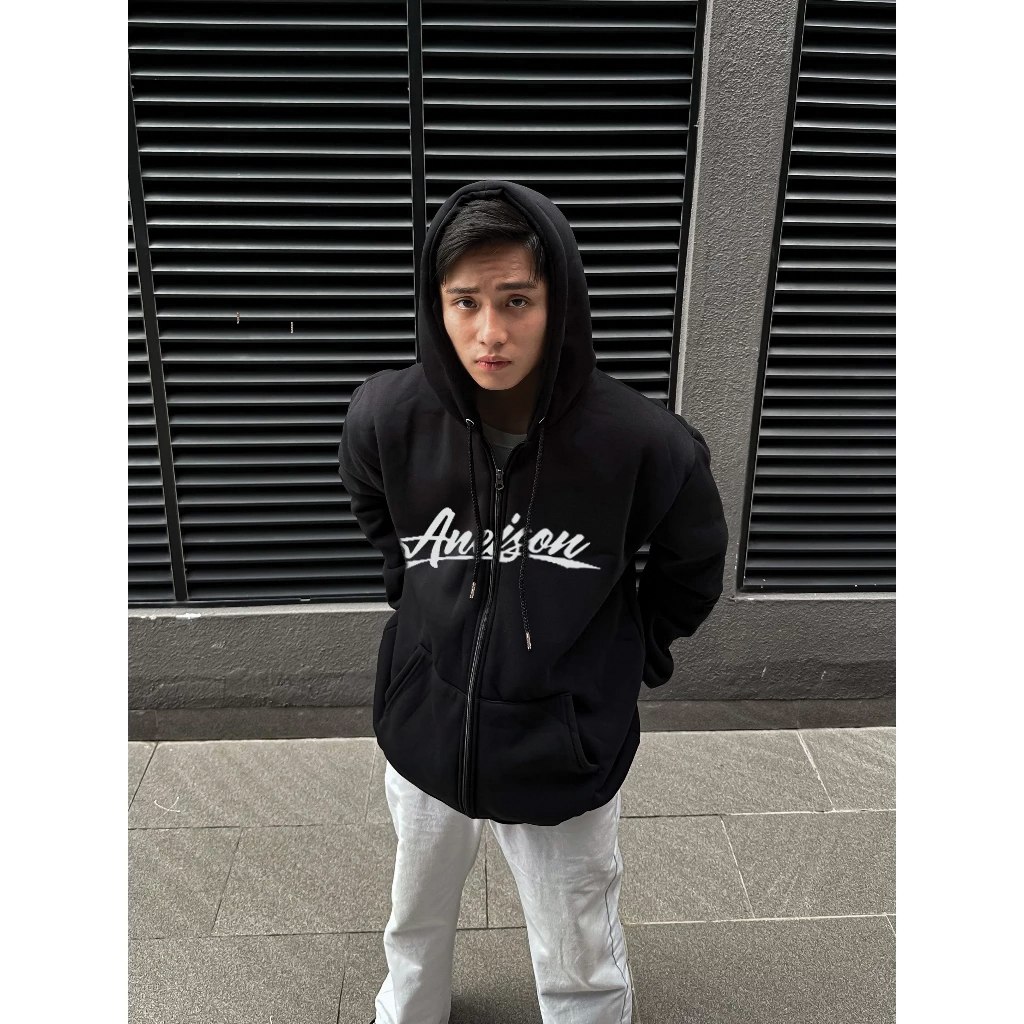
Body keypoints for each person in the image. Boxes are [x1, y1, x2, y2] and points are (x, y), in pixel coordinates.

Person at [338, 180, 728, 1024]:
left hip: (562, 742)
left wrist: (624, 659)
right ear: (436, 304)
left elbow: (693, 566)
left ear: (559, 301)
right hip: (429, 724)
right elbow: (379, 518)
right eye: (465, 302)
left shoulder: (642, 443)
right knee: (413, 918)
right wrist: (417, 608)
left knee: (577, 946)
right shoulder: (387, 417)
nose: (490, 332)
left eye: (516, 300)